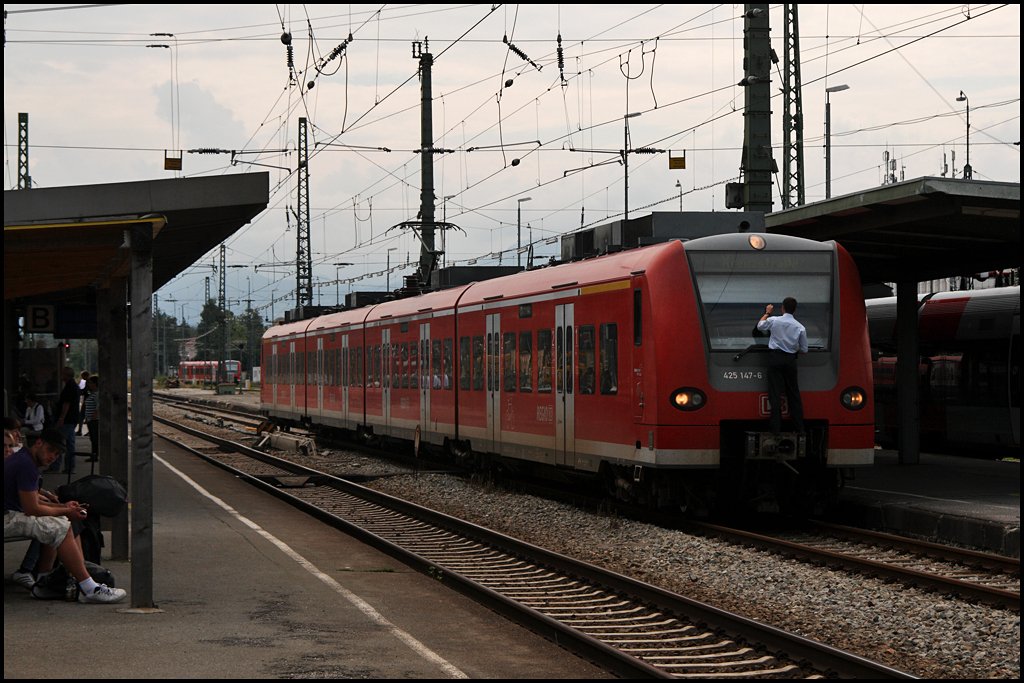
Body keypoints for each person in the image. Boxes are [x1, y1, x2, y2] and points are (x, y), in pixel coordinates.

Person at [4, 428, 126, 603]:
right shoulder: (26, 465)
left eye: (57, 454)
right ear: (38, 443)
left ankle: (45, 582)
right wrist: (66, 510)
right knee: (61, 527)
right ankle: (88, 588)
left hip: (11, 513)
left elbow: (33, 502)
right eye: (50, 450)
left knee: (60, 521)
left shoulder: (25, 459)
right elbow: (32, 509)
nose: (52, 456)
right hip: (7, 517)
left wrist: (63, 507)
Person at [756, 297, 808, 434]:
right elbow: (804, 350)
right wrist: (793, 347)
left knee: (775, 393)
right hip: (790, 360)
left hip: (775, 358)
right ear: (795, 310)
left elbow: (760, 326)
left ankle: (776, 428)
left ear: (782, 308)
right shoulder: (800, 327)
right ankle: (799, 428)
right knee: (793, 393)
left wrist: (767, 312)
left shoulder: (775, 320)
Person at [54, 367, 80, 474]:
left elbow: (66, 404)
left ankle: (55, 466)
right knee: (70, 444)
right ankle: (69, 467)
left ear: (66, 375)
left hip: (67, 420)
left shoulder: (70, 387)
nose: (61, 376)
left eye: (62, 374)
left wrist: (61, 418)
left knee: (58, 442)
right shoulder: (74, 386)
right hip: (72, 419)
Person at [82, 376, 100, 462]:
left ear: (94, 384)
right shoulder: (92, 393)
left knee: (95, 438)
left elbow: (98, 405)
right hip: (90, 420)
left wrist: (94, 415)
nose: (88, 384)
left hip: (94, 420)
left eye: (90, 383)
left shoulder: (96, 394)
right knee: (93, 438)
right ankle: (94, 454)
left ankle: (95, 455)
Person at [76, 371, 90, 435]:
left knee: (82, 416)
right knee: (85, 417)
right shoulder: (88, 382)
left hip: (87, 401)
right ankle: (81, 431)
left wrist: (79, 391)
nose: (82, 377)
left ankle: (80, 431)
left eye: (82, 376)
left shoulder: (88, 382)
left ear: (85, 376)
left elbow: (86, 391)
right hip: (87, 401)